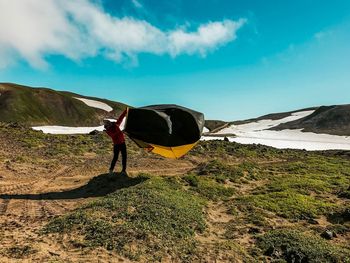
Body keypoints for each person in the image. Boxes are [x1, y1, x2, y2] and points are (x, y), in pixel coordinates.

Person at [104, 108, 128, 175]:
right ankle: (111, 170)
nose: (108, 125)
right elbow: (113, 135)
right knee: (115, 157)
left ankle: (123, 170)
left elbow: (121, 117)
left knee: (124, 156)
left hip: (122, 143)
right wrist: (120, 131)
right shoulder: (108, 131)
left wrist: (126, 110)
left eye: (109, 123)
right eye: (107, 125)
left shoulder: (116, 124)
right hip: (117, 145)